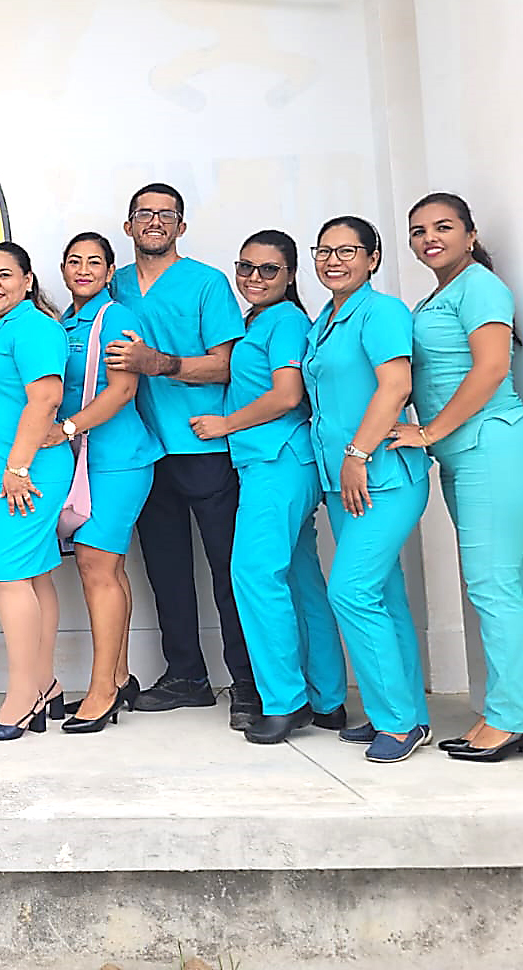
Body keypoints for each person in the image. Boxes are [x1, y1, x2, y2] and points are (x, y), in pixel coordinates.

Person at [389, 193, 523, 763]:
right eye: (418, 231)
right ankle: (506, 709)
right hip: (467, 456)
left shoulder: (480, 286)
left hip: (496, 447)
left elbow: (492, 367)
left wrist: (428, 432)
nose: (429, 238)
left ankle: (514, 718)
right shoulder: (438, 296)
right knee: (489, 584)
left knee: (493, 584)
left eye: (443, 227)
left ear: (470, 233)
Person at [107, 183, 257, 727]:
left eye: (166, 214)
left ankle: (250, 685)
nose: (155, 221)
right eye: (144, 213)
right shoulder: (114, 284)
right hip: (144, 450)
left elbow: (227, 365)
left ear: (181, 227)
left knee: (229, 571)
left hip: (204, 445)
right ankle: (187, 677)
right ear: (128, 226)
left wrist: (161, 363)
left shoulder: (207, 283)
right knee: (166, 571)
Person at [189, 232, 347, 744]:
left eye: (269, 269)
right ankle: (328, 699)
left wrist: (225, 424)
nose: (254, 278)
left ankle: (284, 702)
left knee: (255, 574)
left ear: (290, 274)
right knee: (299, 579)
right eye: (246, 267)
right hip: (277, 462)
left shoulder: (284, 321)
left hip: (278, 462)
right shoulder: (260, 320)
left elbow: (286, 395)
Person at [302, 216, 432, 764]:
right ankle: (403, 714)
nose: (333, 261)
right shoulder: (325, 320)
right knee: (384, 594)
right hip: (344, 483)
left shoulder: (382, 312)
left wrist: (357, 454)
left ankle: (398, 724)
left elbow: (396, 385)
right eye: (324, 251)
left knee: (351, 591)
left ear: (373, 258)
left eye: (347, 251)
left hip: (384, 478)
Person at [40, 233, 161, 733]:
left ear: (111, 271)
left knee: (96, 565)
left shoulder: (117, 318)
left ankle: (101, 691)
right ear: (63, 270)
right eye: (75, 261)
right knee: (107, 568)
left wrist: (67, 429)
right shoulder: (62, 323)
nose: (84, 269)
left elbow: (123, 391)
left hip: (117, 460)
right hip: (80, 461)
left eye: (95, 262)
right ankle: (120, 676)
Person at [0, 242, 72, 741]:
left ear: (28, 281)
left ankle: (22, 699)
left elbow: (45, 398)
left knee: (7, 582)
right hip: (5, 475)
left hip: (24, 477)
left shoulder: (35, 328)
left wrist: (18, 466)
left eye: (4, 274)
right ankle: (45, 686)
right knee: (33, 578)